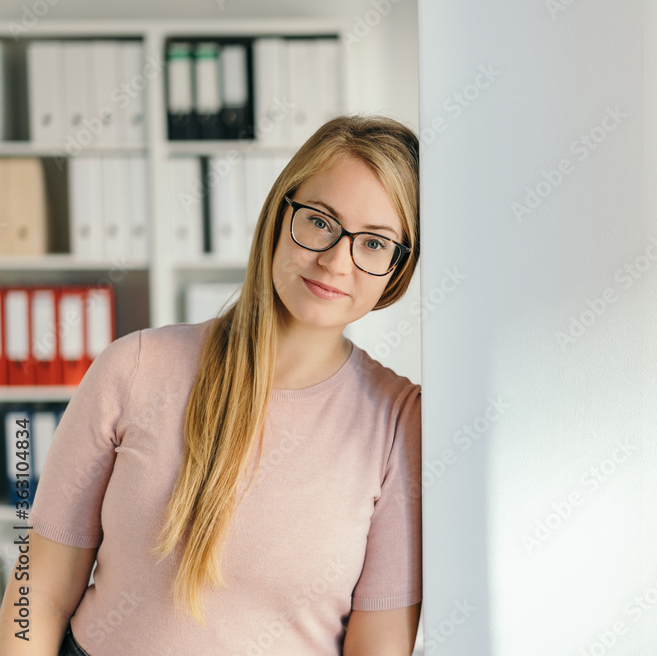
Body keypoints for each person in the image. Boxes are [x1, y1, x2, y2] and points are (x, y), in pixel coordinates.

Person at [0, 115, 423, 655]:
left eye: (374, 243)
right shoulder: (133, 367)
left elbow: (379, 647)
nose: (336, 260)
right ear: (279, 214)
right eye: (320, 221)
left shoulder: (398, 422)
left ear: (397, 271)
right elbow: (39, 590)